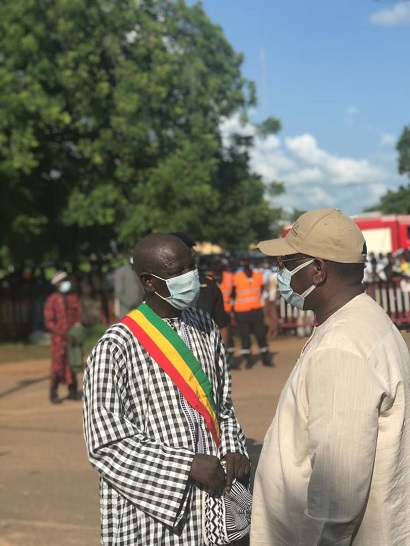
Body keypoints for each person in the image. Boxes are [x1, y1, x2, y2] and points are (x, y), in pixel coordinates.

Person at [250, 208, 410, 546]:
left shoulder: (341, 346)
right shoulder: (361, 321)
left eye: (288, 264)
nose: (281, 274)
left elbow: (336, 500)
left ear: (318, 271)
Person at [83, 233, 250, 545]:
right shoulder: (116, 346)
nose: (190, 278)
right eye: (177, 273)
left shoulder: (204, 325)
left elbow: (222, 406)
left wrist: (232, 446)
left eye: (192, 267)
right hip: (155, 514)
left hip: (212, 497)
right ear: (149, 281)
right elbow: (105, 445)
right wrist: (185, 465)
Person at [43, 271, 83, 404]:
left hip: (72, 338)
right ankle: (53, 392)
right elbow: (49, 322)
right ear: (57, 284)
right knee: (58, 366)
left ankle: (72, 391)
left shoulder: (72, 298)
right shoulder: (52, 300)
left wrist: (76, 331)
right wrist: (61, 333)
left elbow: (78, 316)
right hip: (59, 340)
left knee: (72, 363)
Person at [232, 255, 273, 369]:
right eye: (244, 261)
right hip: (241, 311)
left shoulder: (258, 276)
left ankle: (266, 358)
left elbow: (261, 290)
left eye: (247, 261)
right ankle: (248, 361)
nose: (246, 263)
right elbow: (233, 293)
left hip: (256, 310)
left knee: (261, 335)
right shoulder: (236, 277)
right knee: (245, 337)